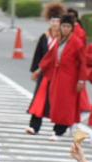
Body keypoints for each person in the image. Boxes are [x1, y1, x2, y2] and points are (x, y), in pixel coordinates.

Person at [27, 14, 86, 138]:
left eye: (68, 26)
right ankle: (57, 128)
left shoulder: (77, 43)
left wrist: (81, 80)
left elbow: (82, 63)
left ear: (72, 28)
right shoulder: (59, 40)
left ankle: (59, 130)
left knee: (66, 104)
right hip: (57, 76)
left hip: (70, 77)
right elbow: (50, 57)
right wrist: (39, 70)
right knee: (57, 103)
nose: (65, 28)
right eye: (63, 26)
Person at [26, 3, 64, 135]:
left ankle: (59, 128)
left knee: (58, 101)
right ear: (49, 21)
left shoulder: (64, 39)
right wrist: (35, 70)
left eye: (58, 21)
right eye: (53, 20)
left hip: (58, 74)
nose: (55, 23)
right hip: (44, 74)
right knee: (39, 99)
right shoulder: (45, 36)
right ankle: (34, 126)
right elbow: (38, 54)